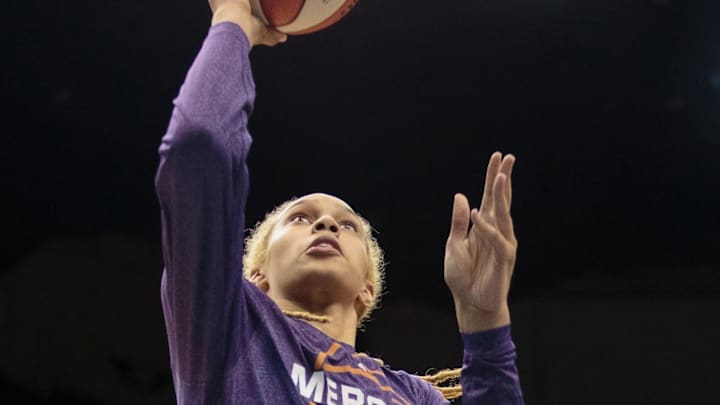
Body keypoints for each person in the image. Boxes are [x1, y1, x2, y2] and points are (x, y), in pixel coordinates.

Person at [155, 0, 524, 403]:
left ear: (368, 289)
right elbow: (198, 146)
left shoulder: (413, 397)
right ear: (256, 275)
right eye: (299, 218)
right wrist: (234, 18)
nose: (326, 225)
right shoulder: (228, 329)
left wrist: (484, 319)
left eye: (347, 225)